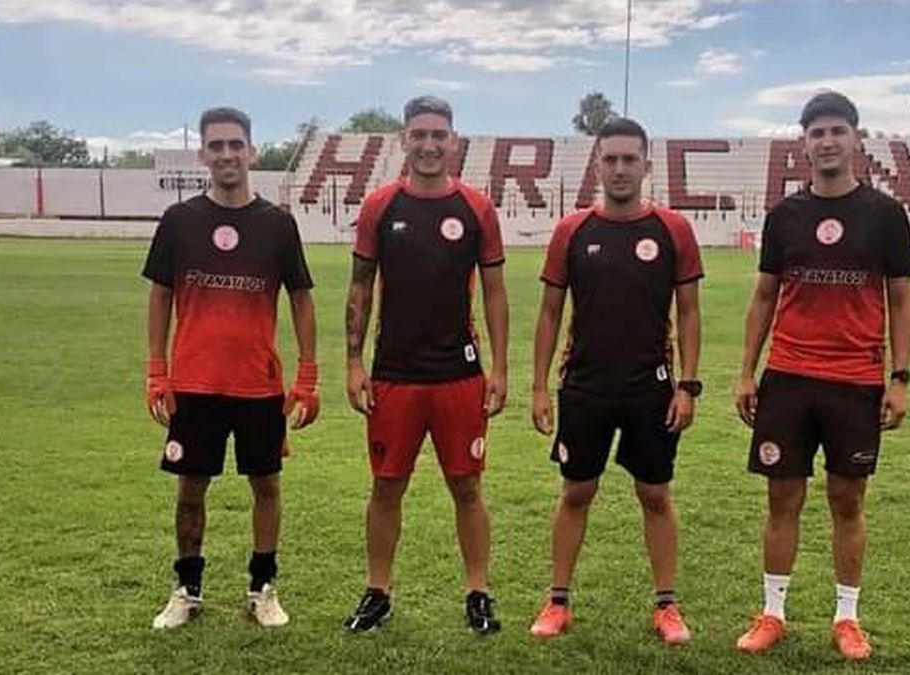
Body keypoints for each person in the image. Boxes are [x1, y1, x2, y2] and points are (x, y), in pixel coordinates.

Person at [733, 91, 910, 660]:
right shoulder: (784, 216)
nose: (828, 141)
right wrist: (746, 373)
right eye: (817, 132)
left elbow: (902, 300)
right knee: (782, 497)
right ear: (804, 143)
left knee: (847, 499)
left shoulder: (885, 216)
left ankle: (847, 618)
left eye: (838, 129)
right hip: (787, 376)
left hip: (856, 380)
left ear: (857, 138)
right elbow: (764, 296)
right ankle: (772, 613)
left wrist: (900, 376)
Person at [528, 117, 703, 646]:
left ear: (647, 165)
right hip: (584, 386)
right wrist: (539, 387)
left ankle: (667, 606)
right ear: (597, 164)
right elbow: (550, 313)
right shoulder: (572, 231)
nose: (621, 169)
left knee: (654, 492)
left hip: (651, 387)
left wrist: (687, 386)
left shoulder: (673, 230)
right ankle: (557, 601)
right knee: (577, 489)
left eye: (631, 159)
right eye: (611, 159)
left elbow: (690, 313)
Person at [145, 106, 319, 630]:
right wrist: (157, 369)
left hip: (257, 384)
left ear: (252, 151)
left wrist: (308, 376)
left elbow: (302, 299)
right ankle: (187, 590)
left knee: (266, 486)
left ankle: (262, 588)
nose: (226, 154)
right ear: (203, 153)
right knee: (190, 489)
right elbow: (160, 295)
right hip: (194, 383)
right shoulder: (180, 221)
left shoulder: (277, 224)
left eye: (235, 144)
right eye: (216, 145)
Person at [342, 95, 509, 636]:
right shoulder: (379, 207)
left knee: (467, 488)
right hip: (394, 375)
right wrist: (352, 361)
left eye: (439, 134)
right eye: (419, 134)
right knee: (387, 487)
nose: (430, 144)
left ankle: (478, 592)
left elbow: (495, 293)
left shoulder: (477, 208)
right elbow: (360, 287)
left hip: (459, 375)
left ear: (454, 141)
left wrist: (500, 369)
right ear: (403, 141)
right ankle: (377, 592)